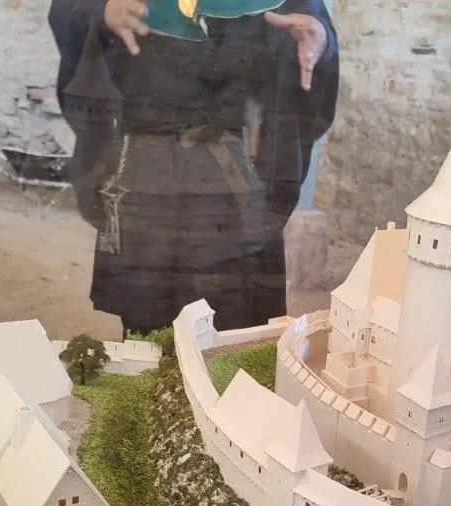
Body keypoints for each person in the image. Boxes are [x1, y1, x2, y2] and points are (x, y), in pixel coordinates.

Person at [49, 0, 338, 333]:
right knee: (147, 322)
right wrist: (101, 11)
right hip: (145, 171)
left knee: (233, 324)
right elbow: (68, 9)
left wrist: (322, 41)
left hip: (233, 173)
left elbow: (310, 18)